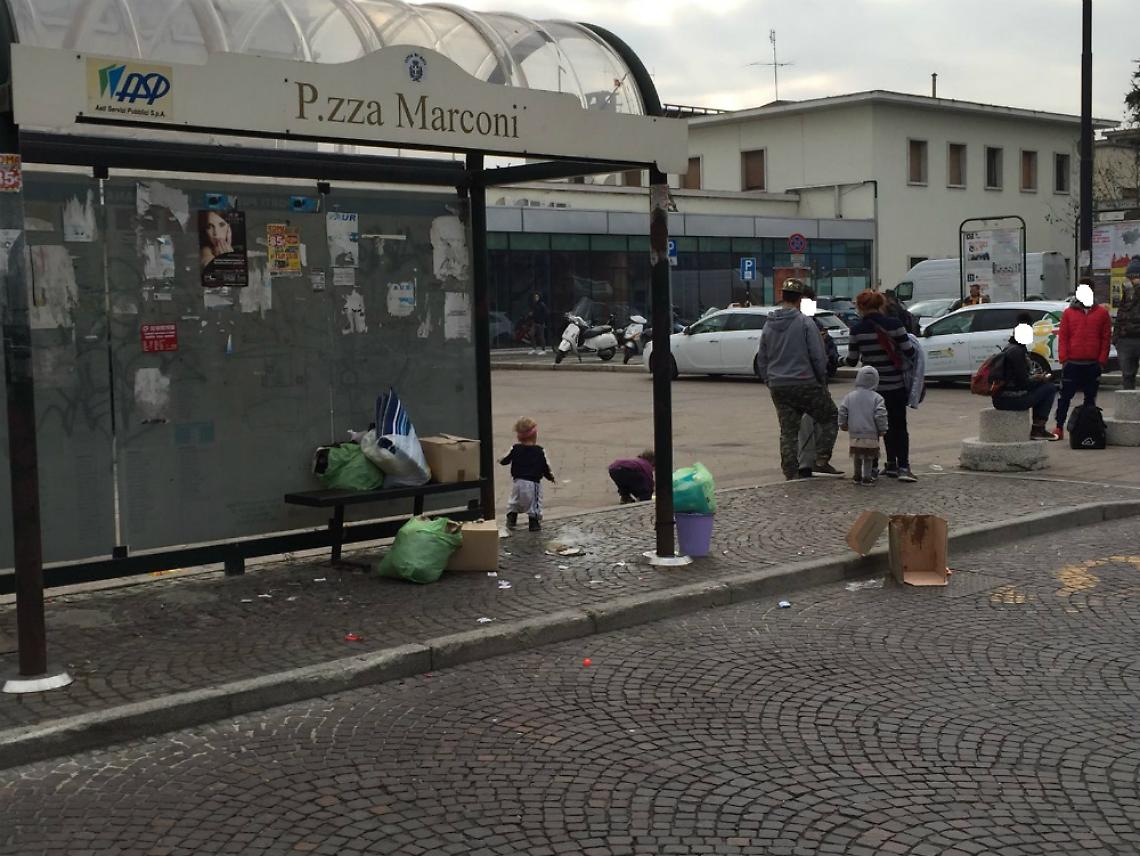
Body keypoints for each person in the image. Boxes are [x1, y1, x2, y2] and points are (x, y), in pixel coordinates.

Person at [755, 278, 842, 481]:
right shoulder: (805, 322)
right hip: (805, 382)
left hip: (779, 385)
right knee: (830, 417)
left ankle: (790, 470)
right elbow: (817, 355)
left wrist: (769, 380)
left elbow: (763, 357)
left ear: (782, 296)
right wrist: (821, 378)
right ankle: (821, 457)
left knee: (788, 430)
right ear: (800, 299)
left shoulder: (769, 324)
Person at [846, 289, 918, 482]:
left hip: (872, 390)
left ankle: (875, 467)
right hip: (895, 385)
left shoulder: (857, 330)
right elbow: (909, 352)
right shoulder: (895, 325)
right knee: (898, 425)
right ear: (881, 305)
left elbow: (852, 360)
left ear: (860, 307)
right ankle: (901, 466)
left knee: (875, 428)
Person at [1053, 280, 1112, 441]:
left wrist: (1101, 361)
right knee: (1065, 397)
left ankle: (1087, 427)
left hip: (1093, 364)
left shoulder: (1102, 313)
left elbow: (1106, 338)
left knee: (1090, 398)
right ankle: (1059, 427)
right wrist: (1064, 359)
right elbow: (1063, 337)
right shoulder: (1068, 313)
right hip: (1072, 363)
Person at [992, 312, 1059, 440]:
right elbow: (1023, 383)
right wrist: (1039, 379)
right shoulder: (1017, 352)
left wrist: (1036, 378)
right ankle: (1038, 429)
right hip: (1010, 400)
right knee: (1049, 388)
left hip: (1001, 397)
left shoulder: (1009, 348)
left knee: (1044, 386)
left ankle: (1038, 429)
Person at [797, 288, 841, 476]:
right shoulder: (805, 325)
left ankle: (809, 461)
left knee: (812, 422)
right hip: (809, 381)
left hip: (803, 381)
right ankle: (812, 462)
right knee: (813, 421)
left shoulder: (815, 325)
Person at [499, 417, 555, 531]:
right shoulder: (539, 451)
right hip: (532, 483)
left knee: (514, 501)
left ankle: (511, 519)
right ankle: (534, 523)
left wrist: (501, 460)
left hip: (517, 482)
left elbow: (505, 459)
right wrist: (550, 477)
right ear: (534, 435)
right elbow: (545, 466)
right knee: (534, 503)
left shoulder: (515, 448)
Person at [839, 366, 889, 486]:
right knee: (868, 457)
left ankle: (857, 476)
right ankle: (867, 477)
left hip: (855, 432)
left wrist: (843, 423)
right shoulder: (877, 398)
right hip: (871, 433)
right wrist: (883, 429)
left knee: (857, 455)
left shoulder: (850, 396)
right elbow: (880, 415)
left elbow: (843, 410)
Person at [1115, 257, 1140, 390]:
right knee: (1127, 375)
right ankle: (1129, 406)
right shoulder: (1126, 294)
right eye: (1129, 277)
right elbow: (1120, 316)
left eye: (1134, 277)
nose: (1131, 281)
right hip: (1125, 340)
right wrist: (1116, 339)